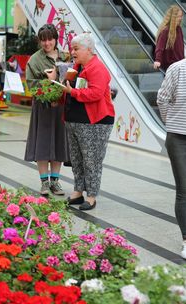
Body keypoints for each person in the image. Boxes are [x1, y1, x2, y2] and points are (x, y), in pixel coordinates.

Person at [61, 33, 115, 211]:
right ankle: (78, 191)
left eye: (76, 48)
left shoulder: (97, 68)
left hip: (95, 122)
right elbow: (67, 87)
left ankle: (91, 196)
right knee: (77, 159)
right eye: (72, 48)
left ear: (89, 50)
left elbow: (95, 93)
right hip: (75, 120)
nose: (73, 51)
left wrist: (72, 92)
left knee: (91, 160)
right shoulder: (75, 67)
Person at [157, 29, 186, 260]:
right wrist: (171, 122)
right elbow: (162, 98)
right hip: (180, 139)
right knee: (185, 192)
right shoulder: (178, 68)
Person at [24, 24, 70, 196]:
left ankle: (55, 182)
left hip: (61, 107)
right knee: (43, 142)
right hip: (43, 107)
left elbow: (72, 78)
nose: (47, 43)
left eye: (50, 39)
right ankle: (44, 182)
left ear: (56, 39)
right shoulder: (35, 60)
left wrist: (59, 78)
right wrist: (48, 83)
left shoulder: (65, 56)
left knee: (59, 141)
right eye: (43, 40)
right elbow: (31, 84)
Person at [154, 5, 184, 71]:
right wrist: (158, 60)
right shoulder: (165, 31)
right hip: (171, 67)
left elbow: (181, 48)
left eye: (181, 16)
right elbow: (159, 47)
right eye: (179, 16)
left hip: (180, 65)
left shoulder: (179, 29)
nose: (180, 18)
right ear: (173, 17)